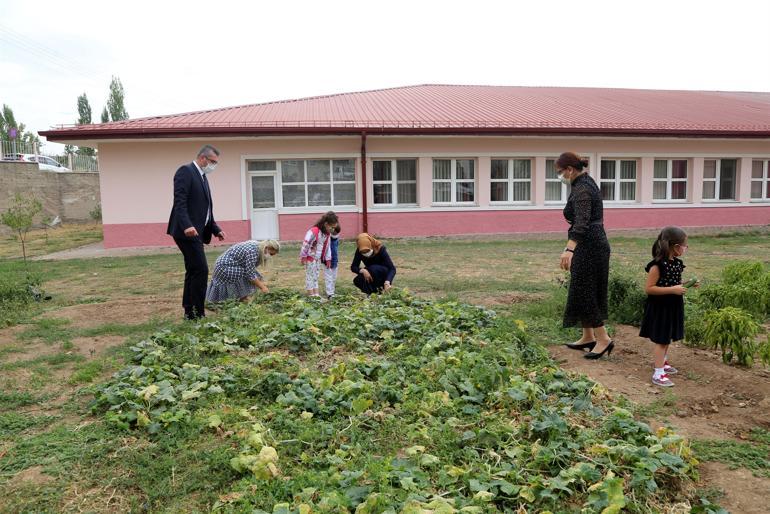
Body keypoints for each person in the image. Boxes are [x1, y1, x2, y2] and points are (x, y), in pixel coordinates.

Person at [557, 152, 613, 359]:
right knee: (581, 288)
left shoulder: (581, 189)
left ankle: (603, 339)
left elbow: (582, 222)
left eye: (560, 172)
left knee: (585, 290)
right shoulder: (586, 182)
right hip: (592, 243)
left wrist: (569, 248)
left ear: (570, 170)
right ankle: (588, 336)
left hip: (589, 245)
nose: (560, 176)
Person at [167, 145, 226, 320]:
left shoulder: (202, 177)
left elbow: (205, 209)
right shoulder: (185, 171)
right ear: (203, 159)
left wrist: (215, 229)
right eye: (213, 162)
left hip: (197, 231)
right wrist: (187, 225)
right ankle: (197, 312)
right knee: (200, 269)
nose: (214, 166)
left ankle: (190, 311)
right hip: (187, 231)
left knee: (193, 270)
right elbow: (180, 201)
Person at [639, 227, 697, 387]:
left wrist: (686, 285)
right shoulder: (657, 266)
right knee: (661, 340)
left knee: (667, 338)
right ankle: (658, 374)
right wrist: (673, 289)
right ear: (676, 246)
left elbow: (673, 284)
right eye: (685, 246)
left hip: (673, 306)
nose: (686, 249)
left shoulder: (676, 264)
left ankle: (663, 362)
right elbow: (649, 289)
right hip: (660, 307)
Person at [206, 239, 280, 303]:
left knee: (251, 276)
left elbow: (250, 268)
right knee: (245, 275)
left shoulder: (258, 246)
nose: (270, 256)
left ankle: (242, 298)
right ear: (266, 248)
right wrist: (263, 287)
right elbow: (250, 273)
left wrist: (261, 284)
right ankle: (236, 299)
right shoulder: (253, 251)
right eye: (271, 254)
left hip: (233, 265)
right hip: (224, 266)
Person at [299, 211, 339, 297]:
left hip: (318, 258)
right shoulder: (314, 231)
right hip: (310, 258)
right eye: (332, 227)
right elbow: (306, 243)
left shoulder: (326, 234)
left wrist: (328, 258)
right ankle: (311, 295)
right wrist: (303, 257)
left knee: (316, 276)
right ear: (326, 224)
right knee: (310, 276)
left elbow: (327, 247)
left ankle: (316, 294)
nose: (332, 230)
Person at [324, 224, 341, 299]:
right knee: (328, 276)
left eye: (337, 234)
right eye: (334, 233)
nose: (335, 235)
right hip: (327, 260)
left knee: (334, 276)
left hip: (335, 260)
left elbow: (336, 249)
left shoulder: (336, 238)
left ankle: (332, 291)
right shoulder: (327, 238)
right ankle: (329, 293)